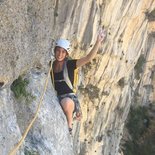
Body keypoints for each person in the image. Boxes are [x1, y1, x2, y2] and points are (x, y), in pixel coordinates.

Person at [50, 29, 106, 134]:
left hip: (69, 98)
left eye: (63, 52)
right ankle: (70, 119)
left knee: (66, 103)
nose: (60, 54)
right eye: (58, 50)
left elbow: (88, 58)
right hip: (57, 96)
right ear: (54, 50)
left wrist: (98, 42)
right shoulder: (51, 65)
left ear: (66, 54)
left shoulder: (70, 65)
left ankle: (69, 129)